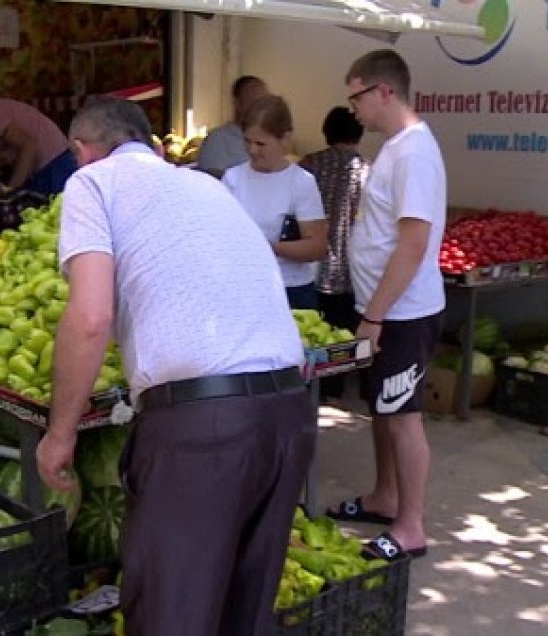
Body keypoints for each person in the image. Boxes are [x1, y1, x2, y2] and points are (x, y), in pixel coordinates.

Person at [35, 97, 316, 636]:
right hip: (289, 411)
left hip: (203, 430)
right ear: (157, 147)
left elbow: (91, 317)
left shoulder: (92, 184)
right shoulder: (209, 186)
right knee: (245, 614)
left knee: (173, 614)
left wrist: (60, 433)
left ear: (80, 151)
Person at [326, 50, 446, 563]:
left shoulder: (415, 152)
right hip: (384, 307)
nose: (353, 109)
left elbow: (414, 243)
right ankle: (384, 497)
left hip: (404, 312)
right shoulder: (398, 149)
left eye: (356, 96)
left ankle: (410, 526)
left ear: (383, 91)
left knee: (403, 416)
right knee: (383, 409)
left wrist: (374, 315)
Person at [222, 95, 327, 310]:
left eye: (261, 143)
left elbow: (316, 247)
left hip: (290, 290)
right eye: (247, 141)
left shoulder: (300, 183)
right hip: (243, 286)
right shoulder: (232, 179)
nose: (252, 150)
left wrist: (271, 248)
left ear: (285, 139)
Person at [300, 107, 370, 399]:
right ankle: (348, 384)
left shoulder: (309, 164)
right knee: (347, 329)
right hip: (352, 265)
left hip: (312, 261)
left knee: (317, 329)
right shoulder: (367, 169)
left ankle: (324, 388)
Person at [197, 75, 268, 178]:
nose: (261, 108)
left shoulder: (268, 142)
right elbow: (212, 184)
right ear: (237, 103)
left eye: (265, 102)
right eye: (255, 101)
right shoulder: (217, 140)